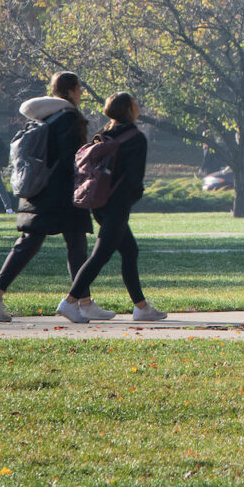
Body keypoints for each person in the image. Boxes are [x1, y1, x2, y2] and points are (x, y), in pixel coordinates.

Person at [0, 72, 92, 322]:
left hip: (36, 187)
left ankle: (84, 301)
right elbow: (74, 157)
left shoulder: (45, 115)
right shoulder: (70, 117)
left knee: (54, 240)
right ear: (70, 90)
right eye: (79, 88)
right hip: (60, 192)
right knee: (59, 241)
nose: (81, 92)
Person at [63, 92, 165, 322]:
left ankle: (141, 307)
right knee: (101, 254)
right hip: (118, 204)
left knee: (130, 250)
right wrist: (132, 198)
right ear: (129, 109)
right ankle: (70, 301)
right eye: (135, 102)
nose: (138, 105)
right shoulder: (136, 138)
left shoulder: (103, 135)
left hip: (98, 202)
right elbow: (134, 178)